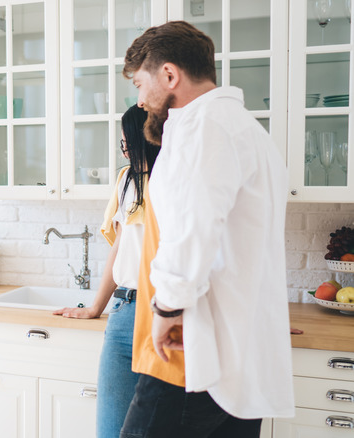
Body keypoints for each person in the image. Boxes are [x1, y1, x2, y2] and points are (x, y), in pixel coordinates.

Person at [119, 21, 294, 438]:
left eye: (141, 84)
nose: (140, 100)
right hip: (234, 351)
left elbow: (194, 226)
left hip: (193, 350)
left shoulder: (205, 128)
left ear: (169, 74)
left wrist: (167, 308)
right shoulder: (246, 129)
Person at [54, 104, 159, 438]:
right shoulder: (126, 180)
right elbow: (120, 247)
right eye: (123, 141)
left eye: (128, 138)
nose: (124, 146)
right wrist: (96, 308)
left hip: (165, 315)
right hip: (125, 314)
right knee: (111, 429)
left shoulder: (174, 181)